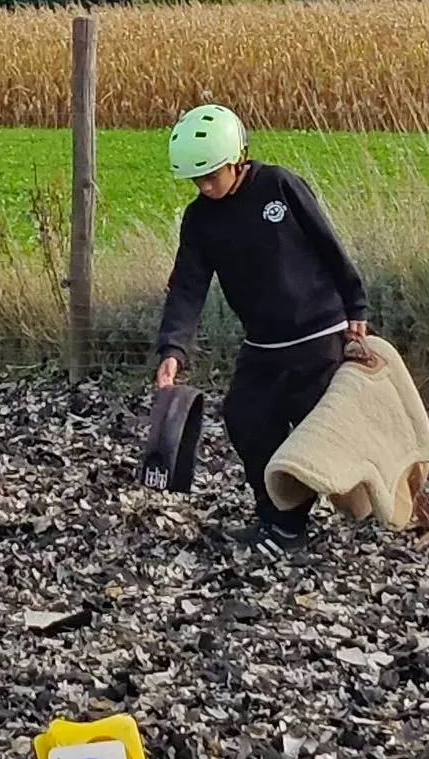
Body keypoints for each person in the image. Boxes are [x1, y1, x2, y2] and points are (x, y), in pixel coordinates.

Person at [152, 105, 369, 556]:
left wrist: (356, 305)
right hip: (262, 345)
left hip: (318, 336)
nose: (205, 187)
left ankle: (371, 504)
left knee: (321, 434)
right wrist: (173, 349)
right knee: (246, 421)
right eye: (197, 180)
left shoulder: (279, 186)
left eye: (212, 175)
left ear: (237, 159)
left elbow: (330, 246)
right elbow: (188, 288)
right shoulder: (200, 220)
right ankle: (281, 522)